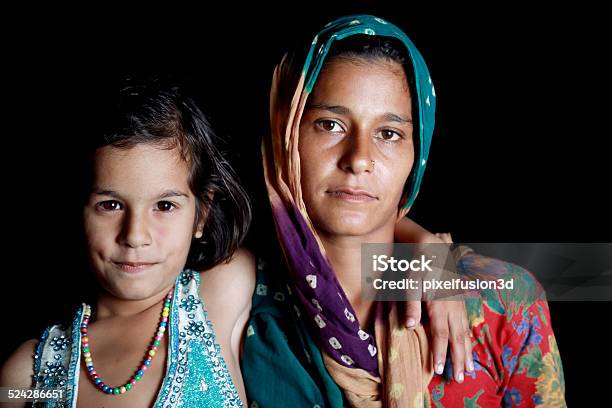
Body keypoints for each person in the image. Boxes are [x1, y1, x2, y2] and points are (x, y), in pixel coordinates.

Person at [241, 15, 566, 407]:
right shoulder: (232, 306)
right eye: (330, 125)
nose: (359, 159)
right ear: (285, 135)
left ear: (418, 153)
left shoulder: (505, 303)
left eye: (389, 134)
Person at [0, 81, 255, 407]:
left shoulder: (222, 291)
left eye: (164, 206)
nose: (135, 235)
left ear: (201, 214)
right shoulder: (26, 376)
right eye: (110, 205)